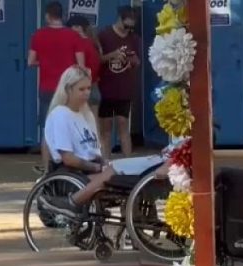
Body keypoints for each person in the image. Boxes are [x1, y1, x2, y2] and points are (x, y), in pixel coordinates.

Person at [38, 67, 164, 219]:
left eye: (89, 88)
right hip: (71, 172)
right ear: (68, 90)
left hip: (90, 168)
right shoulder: (60, 115)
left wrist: (104, 163)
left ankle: (139, 218)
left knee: (131, 171)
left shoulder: (86, 114)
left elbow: (94, 150)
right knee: (113, 174)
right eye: (81, 89)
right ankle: (71, 202)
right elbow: (68, 158)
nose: (86, 93)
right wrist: (97, 167)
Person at [28, 1, 85, 173]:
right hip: (68, 89)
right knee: (71, 128)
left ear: (47, 16)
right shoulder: (74, 36)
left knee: (48, 130)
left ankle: (47, 169)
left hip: (47, 88)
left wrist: (44, 62)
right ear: (62, 15)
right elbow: (80, 65)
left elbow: (30, 62)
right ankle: (71, 168)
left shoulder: (38, 35)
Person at [98, 6, 141, 158]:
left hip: (125, 88)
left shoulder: (134, 38)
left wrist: (132, 61)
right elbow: (98, 60)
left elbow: (138, 60)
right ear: (119, 19)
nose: (128, 30)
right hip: (107, 88)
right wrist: (113, 55)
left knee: (123, 125)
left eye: (131, 27)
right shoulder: (104, 35)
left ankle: (128, 161)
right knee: (106, 128)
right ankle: (105, 162)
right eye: (126, 26)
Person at [67, 15, 102, 123]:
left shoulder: (79, 43)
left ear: (78, 27)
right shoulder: (94, 43)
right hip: (94, 87)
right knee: (93, 125)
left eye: (70, 27)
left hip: (81, 88)